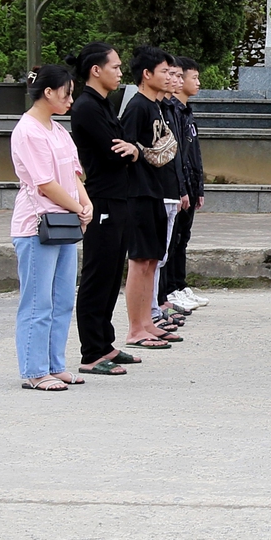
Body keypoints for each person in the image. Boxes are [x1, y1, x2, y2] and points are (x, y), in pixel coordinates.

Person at [10, 64, 92, 391]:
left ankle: (55, 364)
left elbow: (73, 175)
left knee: (61, 300)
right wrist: (79, 207)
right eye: (66, 92)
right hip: (36, 225)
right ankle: (34, 370)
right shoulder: (28, 130)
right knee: (37, 301)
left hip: (64, 223)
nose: (71, 99)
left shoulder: (58, 130)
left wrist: (85, 204)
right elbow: (44, 183)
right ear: (48, 93)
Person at [67, 43, 139, 376]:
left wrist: (134, 150)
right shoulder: (85, 107)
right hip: (102, 200)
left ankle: (105, 343)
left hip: (119, 197)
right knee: (98, 276)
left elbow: (128, 144)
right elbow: (114, 152)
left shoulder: (104, 104)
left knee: (112, 275)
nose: (120, 72)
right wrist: (131, 151)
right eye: (116, 66)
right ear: (96, 70)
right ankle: (91, 352)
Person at [119, 46, 186, 351]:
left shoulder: (157, 107)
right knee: (139, 261)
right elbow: (126, 147)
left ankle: (148, 322)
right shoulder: (137, 107)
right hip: (139, 192)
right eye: (164, 72)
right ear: (146, 75)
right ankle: (135, 328)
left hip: (156, 192)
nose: (171, 77)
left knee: (151, 261)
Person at [159, 58, 207, 314]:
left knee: (182, 238)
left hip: (188, 183)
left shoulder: (186, 113)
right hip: (176, 187)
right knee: (171, 241)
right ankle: (169, 290)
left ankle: (179, 285)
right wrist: (182, 188)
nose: (196, 83)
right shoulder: (171, 111)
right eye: (193, 78)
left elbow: (193, 154)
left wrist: (198, 187)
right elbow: (174, 154)